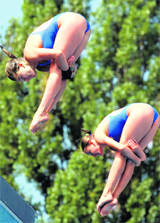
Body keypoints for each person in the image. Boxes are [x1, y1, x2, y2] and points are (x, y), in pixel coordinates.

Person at [0, 12, 91, 133]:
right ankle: (47, 110)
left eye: (22, 77)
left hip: (70, 21)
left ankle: (40, 112)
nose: (27, 80)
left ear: (21, 65)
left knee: (57, 66)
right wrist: (69, 71)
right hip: (86, 30)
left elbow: (58, 54)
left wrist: (67, 70)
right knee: (61, 72)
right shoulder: (41, 66)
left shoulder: (29, 53)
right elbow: (63, 77)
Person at [81, 103, 159, 216]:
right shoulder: (110, 141)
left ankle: (106, 194)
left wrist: (137, 159)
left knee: (121, 155)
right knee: (130, 161)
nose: (93, 156)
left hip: (139, 111)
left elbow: (122, 149)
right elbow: (141, 157)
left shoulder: (98, 136)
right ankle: (114, 197)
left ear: (91, 142)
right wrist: (137, 159)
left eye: (89, 152)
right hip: (155, 117)